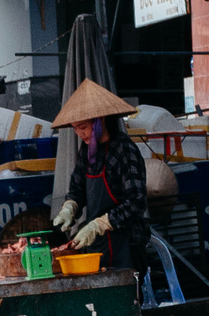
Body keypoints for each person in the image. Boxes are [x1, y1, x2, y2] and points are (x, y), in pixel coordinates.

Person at [50, 80, 149, 269]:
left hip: (127, 246)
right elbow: (77, 188)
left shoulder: (124, 150)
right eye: (75, 128)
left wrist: (100, 224)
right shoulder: (87, 151)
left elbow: (136, 201)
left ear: (100, 120)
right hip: (98, 246)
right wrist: (69, 207)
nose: (80, 133)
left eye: (84, 127)